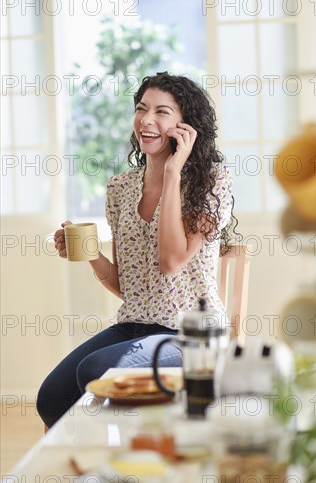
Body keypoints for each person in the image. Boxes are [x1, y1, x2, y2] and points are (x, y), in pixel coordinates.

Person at [37, 72, 236, 428]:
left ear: (185, 126)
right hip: (134, 326)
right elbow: (128, 288)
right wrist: (90, 254)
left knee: (96, 371)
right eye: (142, 109)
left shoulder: (211, 182)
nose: (146, 119)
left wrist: (173, 174)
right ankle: (100, 470)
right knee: (52, 400)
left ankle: (134, 464)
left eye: (162, 112)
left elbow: (170, 261)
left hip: (191, 335)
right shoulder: (121, 187)